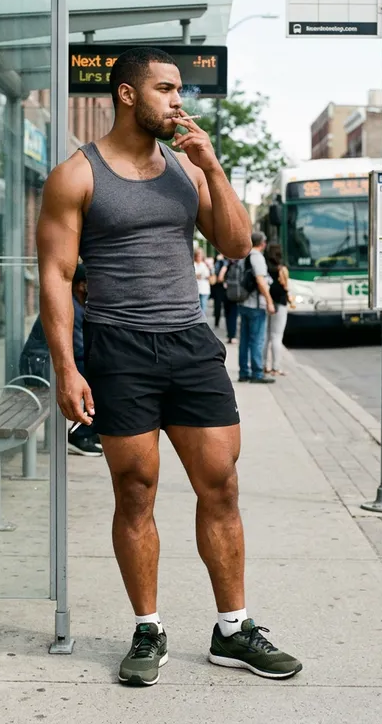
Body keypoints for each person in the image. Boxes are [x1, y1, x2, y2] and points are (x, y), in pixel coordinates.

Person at [37, 46, 301, 687]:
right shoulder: (77, 175)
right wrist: (67, 369)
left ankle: (233, 629)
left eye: (180, 89)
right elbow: (55, 275)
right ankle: (148, 627)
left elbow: (236, 243)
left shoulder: (186, 168)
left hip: (189, 345)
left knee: (222, 485)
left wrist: (210, 164)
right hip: (120, 349)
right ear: (128, 95)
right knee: (136, 491)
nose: (179, 100)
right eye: (165, 88)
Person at [20, 265, 102, 457]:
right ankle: (79, 434)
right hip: (39, 367)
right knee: (100, 380)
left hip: (44, 363)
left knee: (104, 377)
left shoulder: (78, 304)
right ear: (82, 286)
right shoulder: (69, 307)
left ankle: (90, 429)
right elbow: (80, 349)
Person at [238, 231, 276, 385]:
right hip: (255, 304)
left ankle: (243, 372)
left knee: (245, 340)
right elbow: (261, 282)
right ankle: (257, 373)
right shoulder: (258, 258)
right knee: (257, 340)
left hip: (243, 303)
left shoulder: (243, 256)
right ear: (263, 243)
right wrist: (269, 301)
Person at [263, 243, 295, 377]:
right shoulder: (281, 269)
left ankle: (264, 365)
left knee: (267, 336)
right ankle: (276, 367)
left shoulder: (265, 268)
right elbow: (285, 287)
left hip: (267, 303)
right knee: (277, 336)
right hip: (280, 304)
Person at [219, 258, 239, 343]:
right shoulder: (238, 266)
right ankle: (232, 335)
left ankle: (229, 335)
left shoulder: (226, 265)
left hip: (226, 293)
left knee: (227, 315)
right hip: (234, 294)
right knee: (233, 315)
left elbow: (220, 278)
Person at [211, 252, 227, 328]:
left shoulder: (219, 261)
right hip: (220, 286)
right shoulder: (221, 261)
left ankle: (217, 322)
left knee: (218, 305)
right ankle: (217, 322)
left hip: (220, 286)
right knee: (218, 305)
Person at [194, 247, 211, 315]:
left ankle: (202, 323)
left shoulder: (205, 264)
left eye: (200, 254)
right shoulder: (193, 264)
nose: (199, 256)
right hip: (195, 290)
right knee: (196, 308)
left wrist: (198, 275)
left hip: (204, 290)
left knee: (203, 306)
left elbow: (208, 276)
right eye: (198, 254)